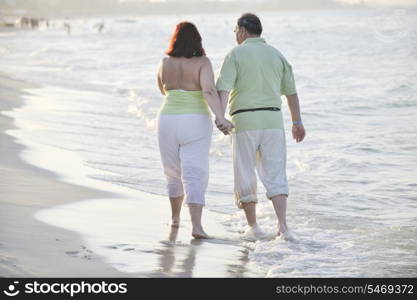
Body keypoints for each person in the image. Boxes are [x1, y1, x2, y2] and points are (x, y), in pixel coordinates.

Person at [215, 13, 306, 241]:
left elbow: (223, 90)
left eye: (235, 30)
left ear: (243, 31)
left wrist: (220, 117)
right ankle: (283, 227)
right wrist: (297, 122)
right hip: (273, 122)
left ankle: (254, 227)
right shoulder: (277, 55)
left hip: (244, 122)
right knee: (276, 173)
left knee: (245, 173)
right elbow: (291, 93)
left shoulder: (235, 54)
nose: (235, 35)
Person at [157, 22, 233, 239]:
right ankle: (197, 227)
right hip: (195, 121)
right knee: (194, 173)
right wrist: (221, 118)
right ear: (197, 40)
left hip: (167, 119)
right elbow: (208, 90)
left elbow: (162, 89)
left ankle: (175, 219)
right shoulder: (203, 62)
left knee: (172, 172)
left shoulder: (165, 62)